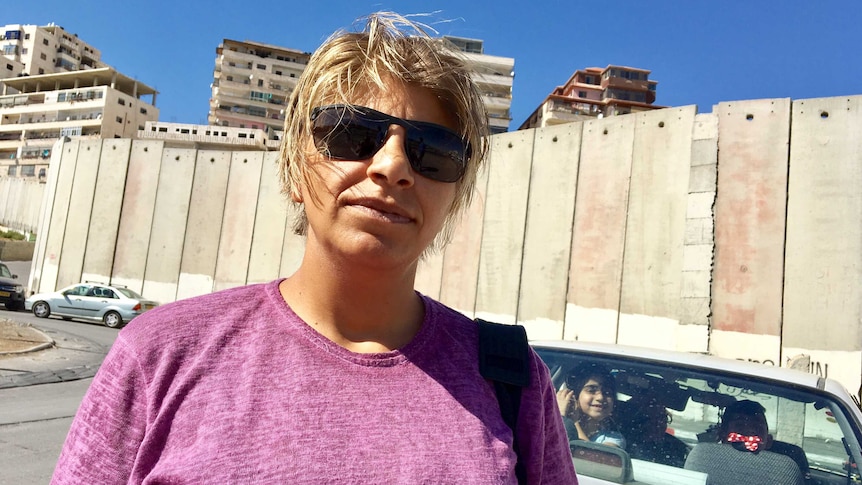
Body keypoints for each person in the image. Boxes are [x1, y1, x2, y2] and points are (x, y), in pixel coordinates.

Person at [51, 12, 577, 484]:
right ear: (296, 167)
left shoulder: (513, 380)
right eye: (353, 134)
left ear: (455, 193)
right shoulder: (160, 355)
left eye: (432, 152)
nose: (392, 167)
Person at [718, 400, 811, 481]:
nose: (749, 431)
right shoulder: (707, 462)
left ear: (768, 441)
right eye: (740, 425)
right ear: (722, 435)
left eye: (756, 427)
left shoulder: (782, 477)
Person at [556, 363, 625, 449]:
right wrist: (560, 417)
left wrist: (573, 422)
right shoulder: (551, 423)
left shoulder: (613, 438)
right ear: (573, 396)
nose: (600, 397)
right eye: (591, 390)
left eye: (607, 393)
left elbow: (594, 459)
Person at [616, 393, 688, 467]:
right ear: (634, 422)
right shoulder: (617, 444)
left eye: (663, 418)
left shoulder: (676, 448)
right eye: (649, 420)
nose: (659, 425)